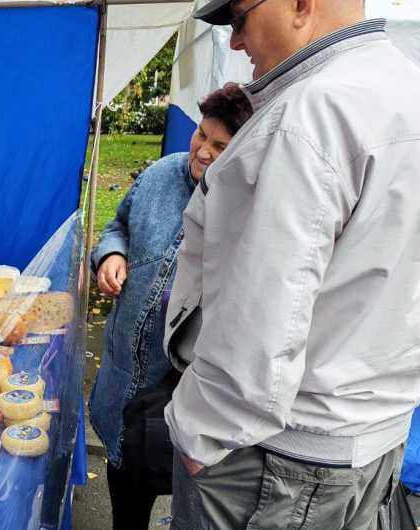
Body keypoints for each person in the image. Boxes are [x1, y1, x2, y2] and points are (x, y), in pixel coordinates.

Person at [164, 1, 420, 528]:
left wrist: (199, 437)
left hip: (275, 457)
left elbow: (259, 312)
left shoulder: (310, 114)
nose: (236, 42)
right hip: (373, 436)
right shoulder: (405, 89)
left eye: (239, 19)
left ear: (300, 5)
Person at [89, 84, 253, 529]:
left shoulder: (252, 208)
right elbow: (117, 224)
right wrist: (111, 254)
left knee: (192, 502)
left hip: (190, 397)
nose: (202, 151)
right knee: (126, 491)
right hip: (125, 383)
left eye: (221, 146)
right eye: (201, 135)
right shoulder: (162, 173)